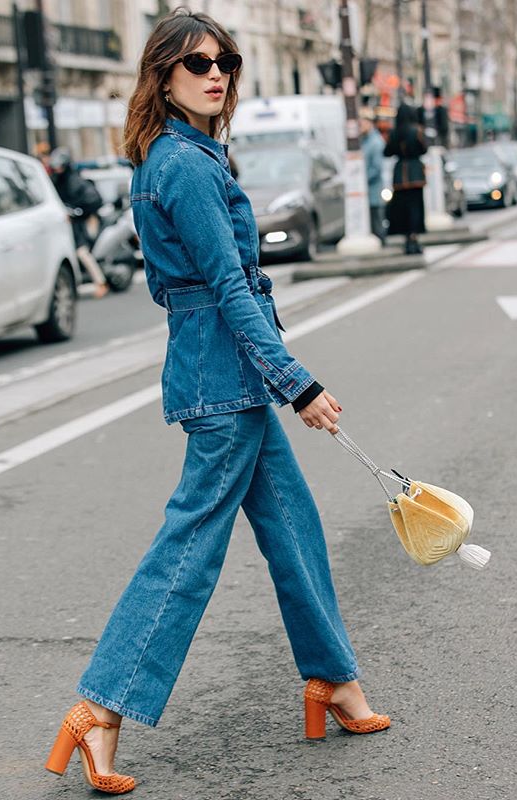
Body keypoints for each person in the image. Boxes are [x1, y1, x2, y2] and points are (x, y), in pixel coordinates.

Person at [45, 9, 390, 795]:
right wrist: (294, 382)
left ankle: (331, 679)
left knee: (294, 527)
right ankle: (99, 708)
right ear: (162, 74)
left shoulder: (177, 156)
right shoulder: (187, 166)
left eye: (226, 61)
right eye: (196, 61)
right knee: (191, 549)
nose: (216, 73)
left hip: (218, 372)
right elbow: (229, 289)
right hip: (222, 378)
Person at [49, 148, 109, 299]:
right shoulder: (56, 181)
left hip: (83, 221)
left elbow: (94, 200)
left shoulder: (75, 181)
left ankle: (100, 282)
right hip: (68, 223)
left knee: (82, 252)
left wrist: (77, 212)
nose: (57, 169)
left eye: (60, 166)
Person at [384, 102, 428, 255]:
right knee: (415, 208)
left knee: (402, 208)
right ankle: (414, 238)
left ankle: (406, 240)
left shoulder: (394, 132)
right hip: (415, 173)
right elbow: (424, 149)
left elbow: (387, 151)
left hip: (400, 175)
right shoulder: (417, 131)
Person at [360, 108, 386, 245]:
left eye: (363, 123)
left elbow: (377, 167)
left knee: (376, 221)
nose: (360, 126)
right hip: (367, 191)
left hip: (373, 190)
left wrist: (362, 180)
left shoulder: (375, 142)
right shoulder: (364, 141)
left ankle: (381, 243)